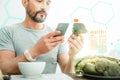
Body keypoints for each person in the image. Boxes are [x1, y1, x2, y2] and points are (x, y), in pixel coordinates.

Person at [0, 0, 84, 74]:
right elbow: (4, 69)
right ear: (25, 2)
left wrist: (72, 56)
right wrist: (35, 51)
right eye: (39, 1)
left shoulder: (56, 35)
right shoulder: (8, 32)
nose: (44, 7)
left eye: (48, 3)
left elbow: (68, 74)